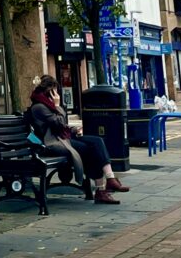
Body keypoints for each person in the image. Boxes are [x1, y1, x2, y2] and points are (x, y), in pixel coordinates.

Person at [28, 74, 130, 205]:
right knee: (91, 149)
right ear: (49, 91)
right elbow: (58, 123)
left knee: (97, 141)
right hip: (52, 143)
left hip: (62, 138)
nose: (56, 93)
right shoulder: (39, 107)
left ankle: (109, 179)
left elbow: (59, 125)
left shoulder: (47, 105)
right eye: (54, 90)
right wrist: (58, 105)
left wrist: (72, 130)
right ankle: (101, 190)